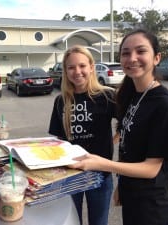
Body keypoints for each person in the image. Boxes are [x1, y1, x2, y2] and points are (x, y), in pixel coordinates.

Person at [69, 29, 168, 225]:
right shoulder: (131, 95)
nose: (132, 58)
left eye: (140, 51)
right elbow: (129, 149)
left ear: (156, 58)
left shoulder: (164, 104)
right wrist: (122, 185)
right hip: (131, 199)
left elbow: (151, 169)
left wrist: (100, 163)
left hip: (151, 207)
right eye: (125, 53)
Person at [48, 45, 118, 225]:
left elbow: (127, 123)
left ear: (91, 67)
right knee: (71, 221)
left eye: (82, 66)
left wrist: (115, 138)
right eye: (71, 67)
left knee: (99, 222)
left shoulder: (107, 95)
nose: (77, 71)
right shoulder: (61, 100)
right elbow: (57, 140)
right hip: (69, 175)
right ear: (65, 71)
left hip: (100, 174)